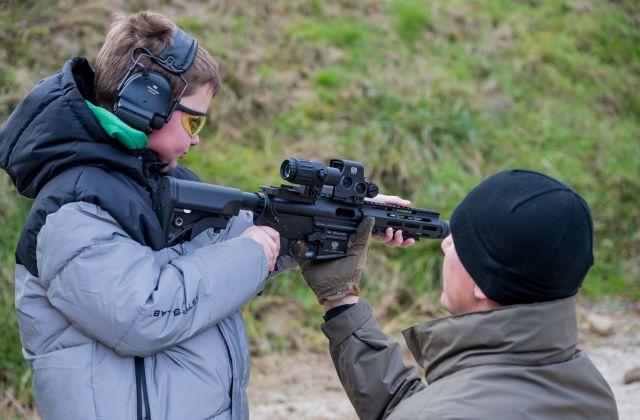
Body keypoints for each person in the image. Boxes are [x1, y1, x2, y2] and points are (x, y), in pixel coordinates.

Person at [0, 11, 412, 420]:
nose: (196, 140)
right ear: (146, 105)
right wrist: (252, 254)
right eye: (193, 122)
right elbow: (141, 314)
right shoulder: (72, 207)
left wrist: (341, 222)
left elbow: (239, 239)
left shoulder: (154, 185)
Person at [299, 169, 619, 419]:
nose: (445, 244)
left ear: (482, 283)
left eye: (460, 241)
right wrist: (341, 302)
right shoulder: (587, 388)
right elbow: (415, 408)